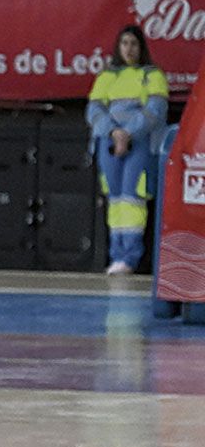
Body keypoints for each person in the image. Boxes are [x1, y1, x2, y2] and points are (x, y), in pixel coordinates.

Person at [88, 25, 168, 276]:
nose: (129, 49)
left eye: (133, 44)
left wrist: (128, 133)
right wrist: (113, 132)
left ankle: (131, 257)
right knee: (115, 198)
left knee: (133, 197)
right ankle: (117, 255)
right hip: (108, 142)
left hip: (141, 144)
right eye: (124, 43)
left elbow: (155, 111)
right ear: (118, 47)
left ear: (141, 47)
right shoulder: (106, 76)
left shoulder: (152, 75)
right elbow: (94, 110)